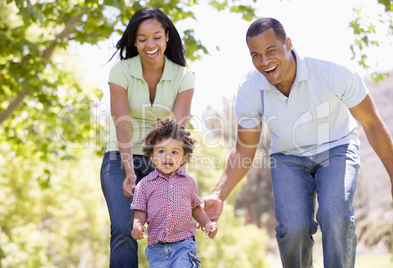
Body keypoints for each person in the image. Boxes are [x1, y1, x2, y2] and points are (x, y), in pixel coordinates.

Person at [203, 17, 393, 268]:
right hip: (288, 157)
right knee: (293, 229)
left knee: (334, 216)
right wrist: (219, 193)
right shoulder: (250, 88)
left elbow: (371, 124)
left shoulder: (330, 70)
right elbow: (245, 147)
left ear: (288, 44)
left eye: (271, 51)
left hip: (336, 146)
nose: (264, 61)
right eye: (256, 55)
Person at [100, 7, 195, 267]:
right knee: (123, 228)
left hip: (162, 158)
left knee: (171, 228)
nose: (149, 45)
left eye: (156, 37)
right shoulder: (121, 71)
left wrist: (176, 174)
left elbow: (177, 133)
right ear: (134, 41)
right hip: (121, 156)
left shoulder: (184, 76)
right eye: (142, 39)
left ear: (166, 37)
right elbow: (122, 123)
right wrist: (130, 171)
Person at [130, 119, 217, 267]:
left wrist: (207, 222)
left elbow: (196, 207)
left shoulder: (188, 182)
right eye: (161, 151)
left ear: (183, 158)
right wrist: (137, 225)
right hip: (156, 247)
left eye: (174, 152)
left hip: (183, 244)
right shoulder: (144, 185)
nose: (168, 156)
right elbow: (140, 210)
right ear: (151, 155)